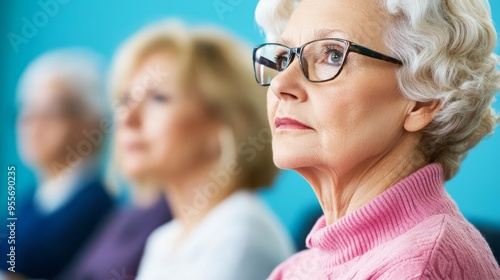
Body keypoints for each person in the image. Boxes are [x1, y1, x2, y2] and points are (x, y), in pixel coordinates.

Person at [252, 0, 500, 278]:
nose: (280, 84)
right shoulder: (293, 271)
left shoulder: (419, 268)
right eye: (284, 60)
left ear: (423, 99)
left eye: (333, 55)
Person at [111, 21, 295, 280]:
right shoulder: (163, 241)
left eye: (158, 98)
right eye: (126, 100)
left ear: (228, 122)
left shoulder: (240, 232)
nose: (126, 118)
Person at [0, 49, 114, 279]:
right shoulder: (27, 202)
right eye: (26, 109)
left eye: (50, 111)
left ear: (91, 123)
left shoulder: (100, 210)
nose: (31, 123)